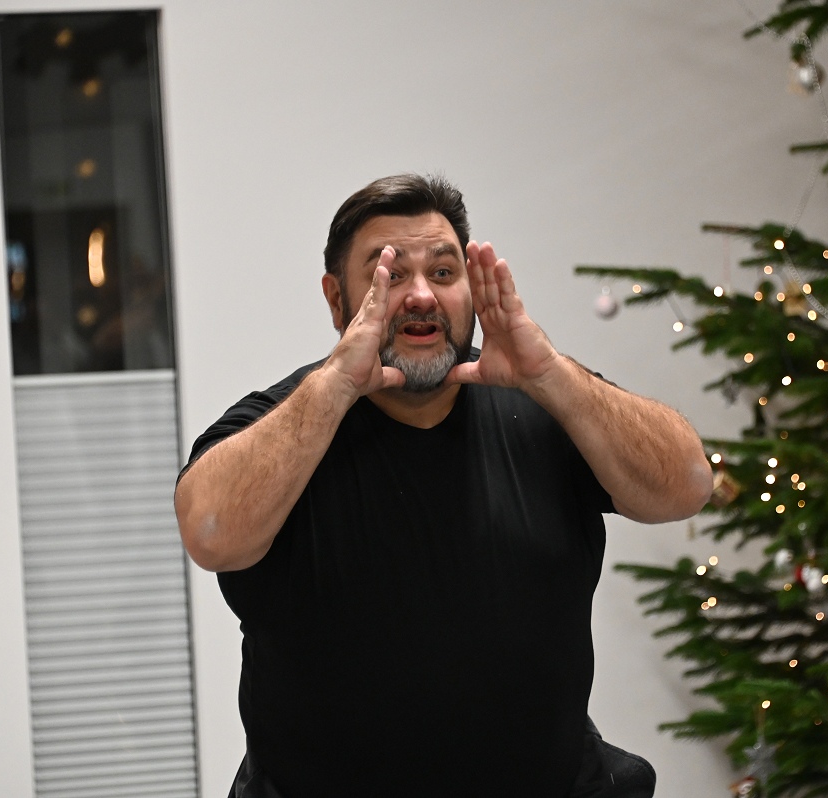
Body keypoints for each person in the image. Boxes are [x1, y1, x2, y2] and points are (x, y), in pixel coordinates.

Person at [174, 174, 712, 798]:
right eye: (390, 274)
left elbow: (688, 485)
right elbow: (211, 533)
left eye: (444, 272)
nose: (421, 296)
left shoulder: (547, 399)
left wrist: (550, 373)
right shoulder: (281, 423)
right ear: (337, 299)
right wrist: (336, 385)